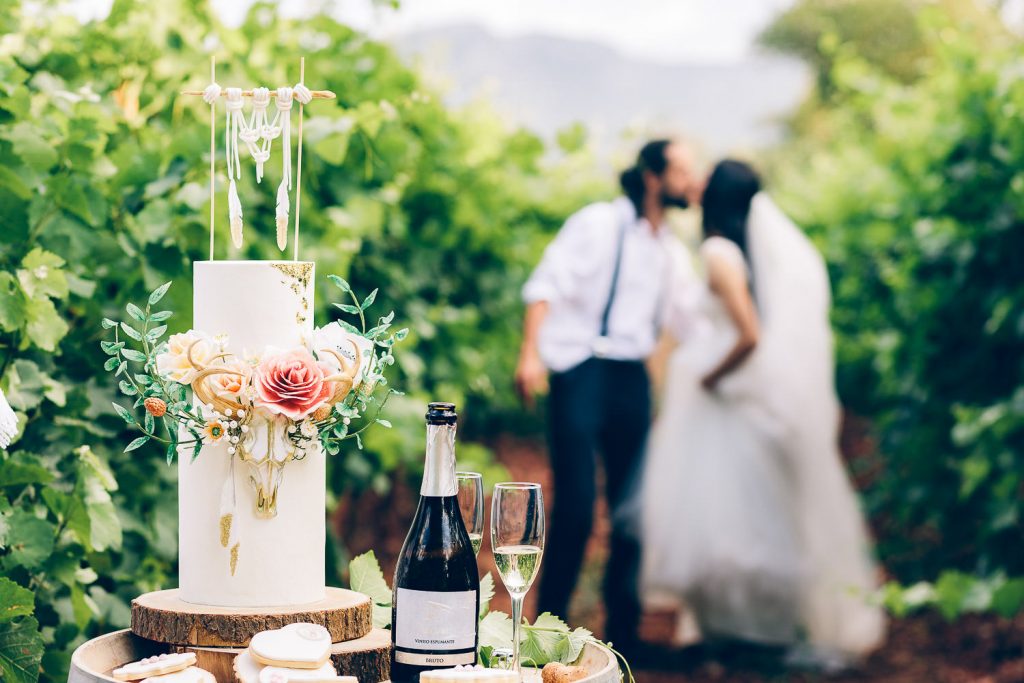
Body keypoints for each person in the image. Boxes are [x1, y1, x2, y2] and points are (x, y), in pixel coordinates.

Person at [641, 159, 886, 668]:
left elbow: (749, 333)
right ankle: (745, 625)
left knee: (729, 511)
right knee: (741, 510)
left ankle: (743, 629)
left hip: (728, 396)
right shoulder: (741, 249)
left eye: (707, 179)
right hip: (739, 396)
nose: (698, 185)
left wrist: (711, 376)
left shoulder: (716, 251)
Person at [515, 139, 701, 653]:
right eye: (682, 170)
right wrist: (530, 354)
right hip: (583, 368)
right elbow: (543, 285)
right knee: (575, 504)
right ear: (651, 177)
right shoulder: (599, 223)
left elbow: (693, 322)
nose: (690, 181)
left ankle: (624, 635)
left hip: (631, 381)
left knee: (631, 508)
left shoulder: (671, 251)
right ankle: (544, 631)